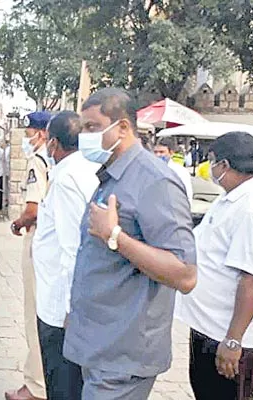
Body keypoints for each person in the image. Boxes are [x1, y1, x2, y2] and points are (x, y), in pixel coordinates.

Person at [64, 88, 197, 400]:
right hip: (98, 341)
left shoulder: (155, 181)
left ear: (122, 127)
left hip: (124, 353)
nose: (85, 136)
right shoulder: (113, 176)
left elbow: (185, 275)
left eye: (92, 127)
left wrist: (115, 236)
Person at [176, 131, 253, 399]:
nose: (209, 168)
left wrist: (233, 341)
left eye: (211, 161)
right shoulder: (231, 197)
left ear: (223, 164)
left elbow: (252, 280)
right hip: (210, 326)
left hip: (232, 336)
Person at [33, 111, 99, 400]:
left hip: (60, 307)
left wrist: (73, 308)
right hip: (64, 301)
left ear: (53, 143)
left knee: (62, 385)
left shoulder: (68, 178)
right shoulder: (84, 170)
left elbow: (74, 248)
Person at [6, 111, 51, 400]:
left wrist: (17, 223)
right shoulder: (63, 160)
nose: (26, 137)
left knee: (34, 314)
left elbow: (32, 209)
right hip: (55, 245)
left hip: (39, 240)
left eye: (29, 132)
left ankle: (35, 387)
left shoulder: (40, 160)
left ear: (42, 133)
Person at [153, 137, 194, 204]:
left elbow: (187, 196)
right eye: (155, 152)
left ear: (171, 153)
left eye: (161, 152)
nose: (158, 155)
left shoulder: (180, 171)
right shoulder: (150, 169)